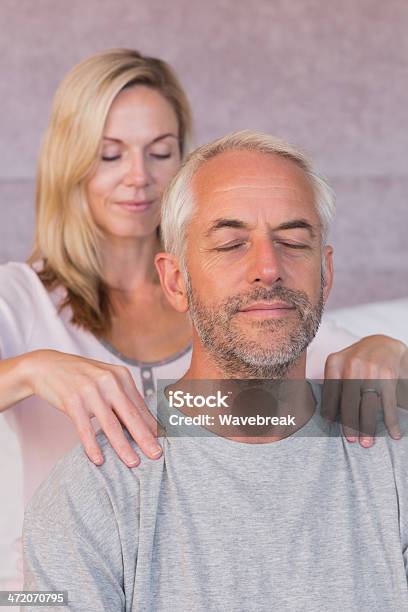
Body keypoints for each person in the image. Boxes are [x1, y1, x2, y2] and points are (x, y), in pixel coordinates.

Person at [0, 49, 406, 588]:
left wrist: (391, 348)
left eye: (160, 152)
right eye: (110, 154)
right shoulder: (21, 298)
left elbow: (302, 330)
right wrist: (29, 370)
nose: (139, 178)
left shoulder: (251, 297)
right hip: (42, 584)